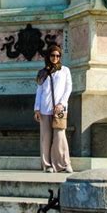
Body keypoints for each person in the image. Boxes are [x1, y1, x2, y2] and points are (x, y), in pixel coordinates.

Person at [34, 44, 73, 173]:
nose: (55, 58)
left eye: (57, 55)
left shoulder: (65, 70)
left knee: (60, 136)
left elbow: (68, 88)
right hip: (45, 107)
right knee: (46, 137)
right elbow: (39, 91)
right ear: (48, 56)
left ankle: (64, 163)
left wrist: (62, 103)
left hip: (59, 109)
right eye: (52, 55)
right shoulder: (43, 72)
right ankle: (47, 165)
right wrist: (37, 108)